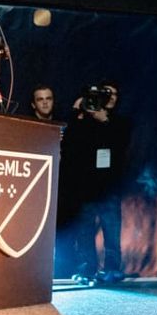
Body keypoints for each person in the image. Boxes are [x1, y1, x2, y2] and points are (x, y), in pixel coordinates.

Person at [62, 82, 132, 283]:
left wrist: (105, 121)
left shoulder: (120, 122)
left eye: (114, 93)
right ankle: (86, 270)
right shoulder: (85, 120)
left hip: (109, 187)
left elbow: (121, 145)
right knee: (84, 231)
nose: (110, 97)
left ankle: (112, 270)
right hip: (85, 186)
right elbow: (69, 140)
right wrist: (77, 111)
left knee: (112, 230)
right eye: (106, 93)